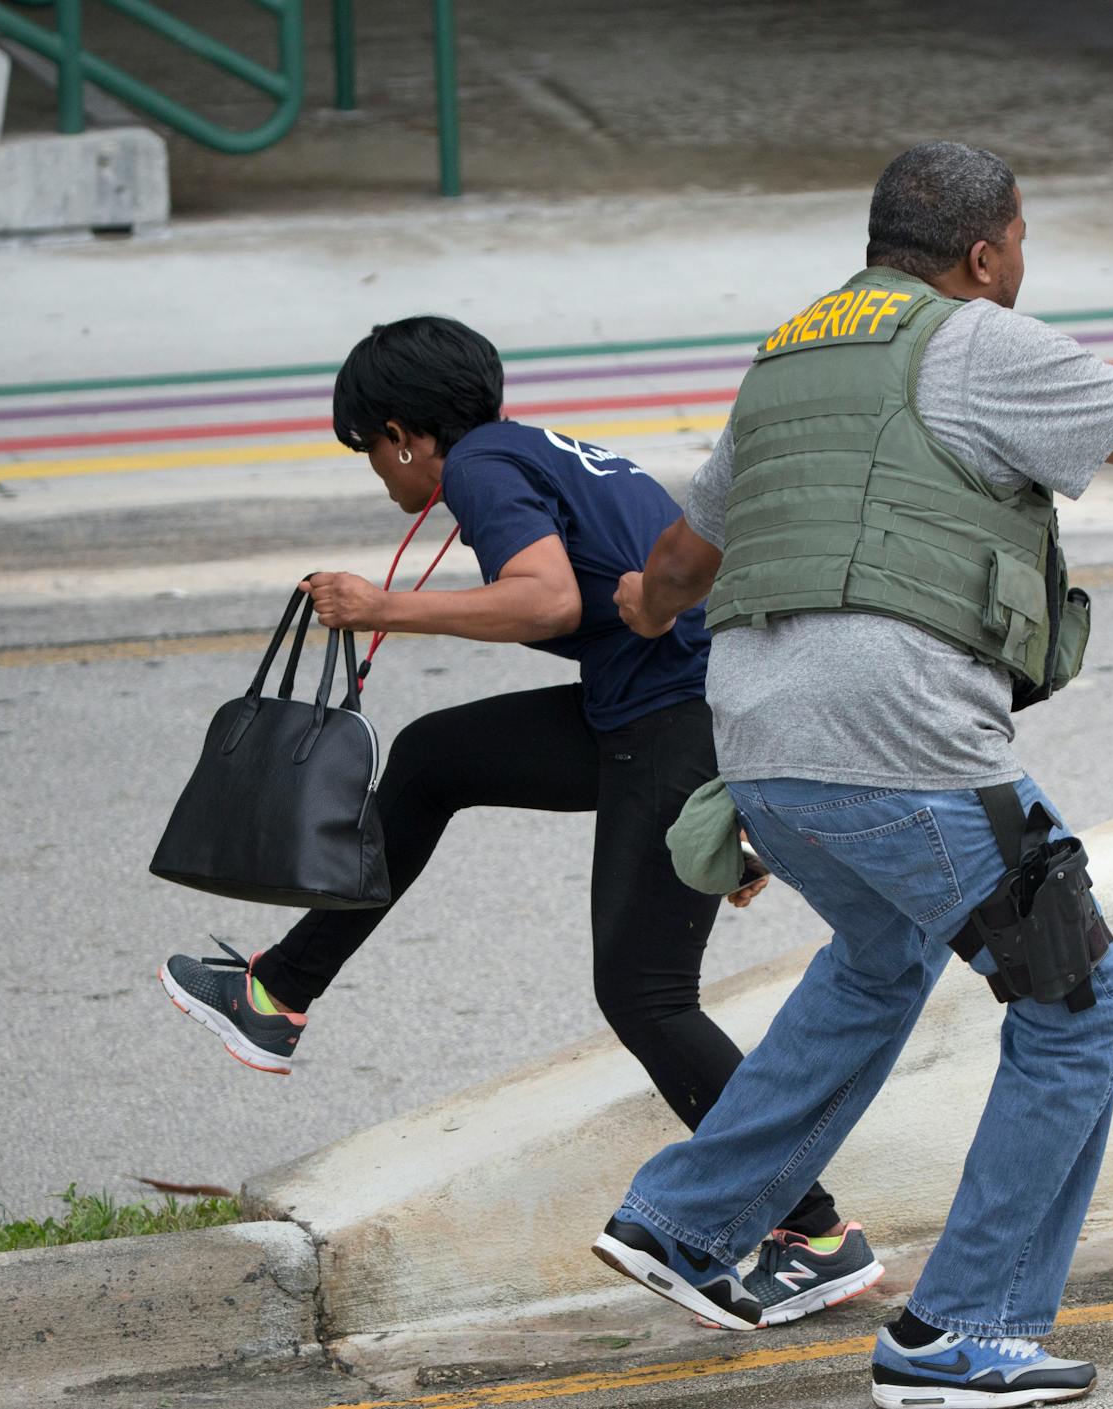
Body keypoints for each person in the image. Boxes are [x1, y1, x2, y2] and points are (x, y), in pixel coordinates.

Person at [596, 142, 1113, 1406]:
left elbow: (683, 553)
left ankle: (686, 1217)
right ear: (986, 254)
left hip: (766, 753)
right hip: (901, 747)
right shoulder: (981, 341)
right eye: (1019, 248)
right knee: (1080, 1006)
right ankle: (959, 1330)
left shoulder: (791, 354)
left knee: (881, 956)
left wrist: (639, 601)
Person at [156, 316, 882, 1326]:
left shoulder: (485, 468)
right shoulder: (532, 450)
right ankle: (278, 991)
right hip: (660, 706)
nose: (379, 472)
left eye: (372, 449)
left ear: (405, 434)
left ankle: (812, 1229)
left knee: (645, 992)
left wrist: (381, 607)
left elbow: (540, 598)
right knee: (435, 757)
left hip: (674, 721)